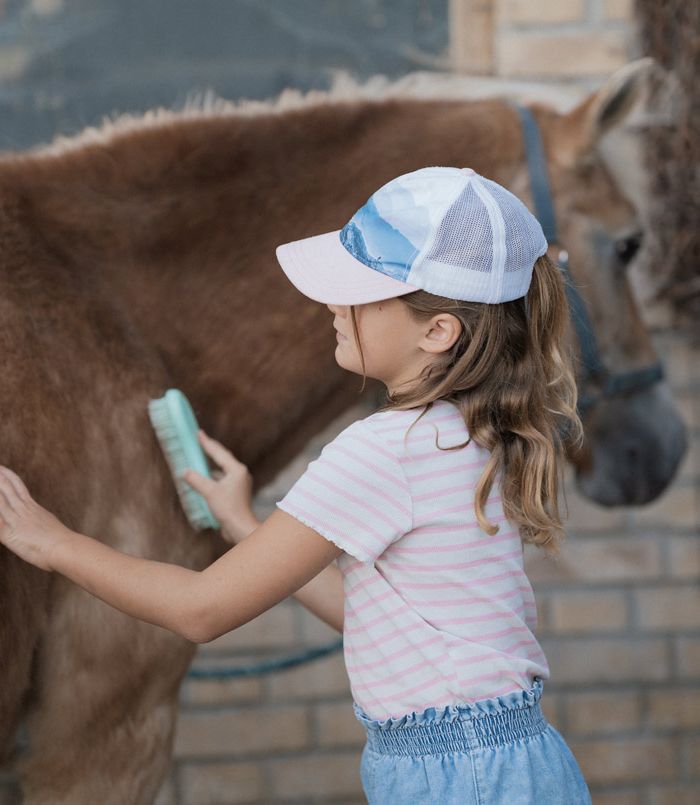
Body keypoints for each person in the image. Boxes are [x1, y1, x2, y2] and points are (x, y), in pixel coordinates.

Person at [0, 166, 592, 804]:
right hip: (520, 762)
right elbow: (371, 617)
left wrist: (52, 542)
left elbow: (200, 610)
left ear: (438, 330)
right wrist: (247, 528)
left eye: (360, 294)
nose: (333, 304)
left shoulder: (384, 450)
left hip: (456, 781)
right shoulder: (473, 433)